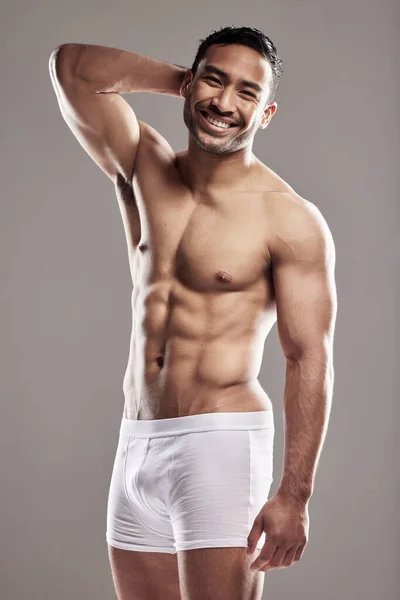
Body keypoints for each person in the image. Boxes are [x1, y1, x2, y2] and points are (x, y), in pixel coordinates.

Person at [49, 25, 337, 600]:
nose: (225, 103)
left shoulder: (290, 219)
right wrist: (181, 80)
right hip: (137, 439)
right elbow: (72, 67)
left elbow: (309, 358)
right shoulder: (144, 166)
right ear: (190, 84)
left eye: (247, 93)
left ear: (267, 113)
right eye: (214, 80)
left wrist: (295, 495)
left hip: (219, 442)